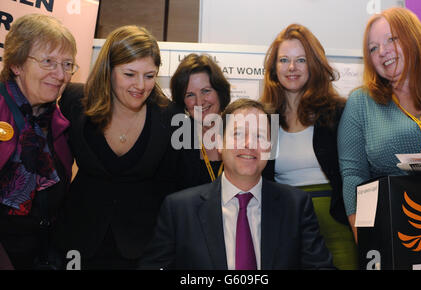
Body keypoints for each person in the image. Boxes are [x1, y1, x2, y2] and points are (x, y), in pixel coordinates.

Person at [139, 98, 334, 270]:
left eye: (260, 136)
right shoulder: (179, 210)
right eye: (239, 134)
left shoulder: (296, 205)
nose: (249, 144)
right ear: (220, 143)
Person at [55, 25, 182, 269]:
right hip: (77, 242)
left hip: (144, 249)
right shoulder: (74, 101)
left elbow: (174, 187)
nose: (140, 86)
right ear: (108, 70)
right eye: (129, 74)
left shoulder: (171, 117)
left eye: (149, 75)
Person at [338, 7, 421, 242]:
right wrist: (366, 239)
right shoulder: (361, 103)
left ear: (414, 38)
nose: (382, 51)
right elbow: (353, 176)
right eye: (373, 48)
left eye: (391, 39)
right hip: (394, 233)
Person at [259, 23, 357, 269]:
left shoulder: (339, 112)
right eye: (284, 60)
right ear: (273, 68)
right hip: (285, 227)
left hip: (337, 225)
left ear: (313, 64)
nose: (292, 67)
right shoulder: (262, 118)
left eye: (301, 60)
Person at [0, 14, 77, 269]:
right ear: (17, 64)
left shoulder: (59, 123)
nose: (60, 74)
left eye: (67, 64)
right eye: (48, 62)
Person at [170, 53, 230, 187]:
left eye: (206, 91)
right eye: (190, 95)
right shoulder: (176, 140)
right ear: (183, 101)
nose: (199, 102)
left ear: (220, 92)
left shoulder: (241, 132)